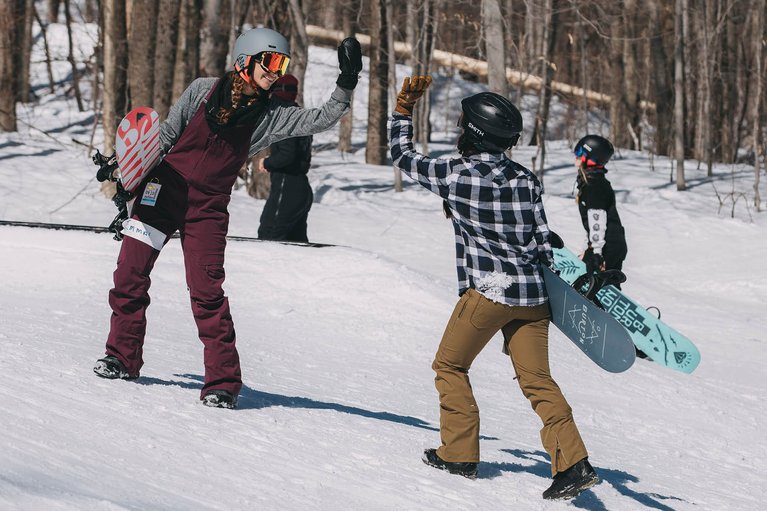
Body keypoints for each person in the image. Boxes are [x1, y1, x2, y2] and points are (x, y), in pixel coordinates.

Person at [93, 28, 362, 409]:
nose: (276, 71)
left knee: (206, 292)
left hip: (208, 208)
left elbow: (324, 117)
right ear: (245, 61)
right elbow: (167, 135)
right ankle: (121, 357)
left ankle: (222, 381)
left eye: (282, 64)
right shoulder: (203, 89)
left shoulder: (273, 115)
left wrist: (346, 81)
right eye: (270, 62)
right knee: (129, 274)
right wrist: (130, 173)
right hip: (162, 191)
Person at [389, 76, 599, 500]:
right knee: (538, 381)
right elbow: (541, 240)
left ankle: (459, 454)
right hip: (533, 299)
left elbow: (402, 155)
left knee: (449, 366)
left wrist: (402, 113)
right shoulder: (526, 179)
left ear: (473, 133)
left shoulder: (454, 174)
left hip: (489, 293)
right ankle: (573, 464)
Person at [257, 74, 314, 242]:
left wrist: (266, 162)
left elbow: (287, 155)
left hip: (287, 187)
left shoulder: (285, 118)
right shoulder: (300, 116)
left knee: (269, 235)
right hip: (301, 189)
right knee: (295, 245)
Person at [573, 135, 627, 279]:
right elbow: (591, 223)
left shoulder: (595, 186)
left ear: (591, 159)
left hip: (609, 247)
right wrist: (589, 248)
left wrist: (597, 253)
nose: (576, 157)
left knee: (601, 286)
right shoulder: (591, 181)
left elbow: (597, 220)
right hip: (605, 244)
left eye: (579, 153)